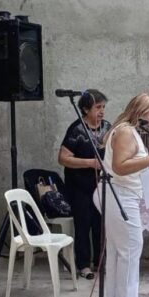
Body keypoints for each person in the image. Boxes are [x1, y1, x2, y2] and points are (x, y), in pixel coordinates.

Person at [98, 93, 149, 297]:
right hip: (120, 194)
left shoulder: (128, 130)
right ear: (140, 110)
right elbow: (120, 166)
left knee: (119, 251)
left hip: (121, 194)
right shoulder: (124, 131)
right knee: (131, 249)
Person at [58, 89, 110, 280]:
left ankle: (99, 262)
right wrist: (89, 163)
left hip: (101, 186)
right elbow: (63, 158)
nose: (102, 111)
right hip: (79, 186)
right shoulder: (77, 130)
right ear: (86, 109)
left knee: (100, 224)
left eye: (103, 107)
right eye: (98, 107)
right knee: (83, 224)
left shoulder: (107, 128)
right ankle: (83, 265)